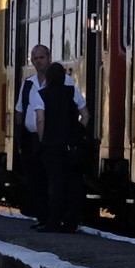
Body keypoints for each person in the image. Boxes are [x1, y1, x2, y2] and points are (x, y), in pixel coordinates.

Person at [14, 44, 83, 220]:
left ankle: (53, 218)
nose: (38, 61)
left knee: (54, 180)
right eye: (35, 58)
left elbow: (81, 108)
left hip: (53, 139)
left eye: (41, 57)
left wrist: (76, 132)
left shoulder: (66, 82)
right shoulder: (28, 84)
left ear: (49, 58)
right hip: (32, 138)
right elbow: (20, 110)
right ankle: (42, 216)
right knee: (35, 179)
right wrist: (21, 136)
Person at [33, 62, 87, 232]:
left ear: (48, 78)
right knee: (73, 184)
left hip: (51, 145)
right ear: (64, 77)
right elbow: (85, 115)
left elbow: (40, 119)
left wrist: (42, 139)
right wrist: (78, 131)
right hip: (71, 146)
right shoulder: (72, 92)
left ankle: (53, 221)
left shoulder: (41, 95)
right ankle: (71, 223)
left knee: (55, 184)